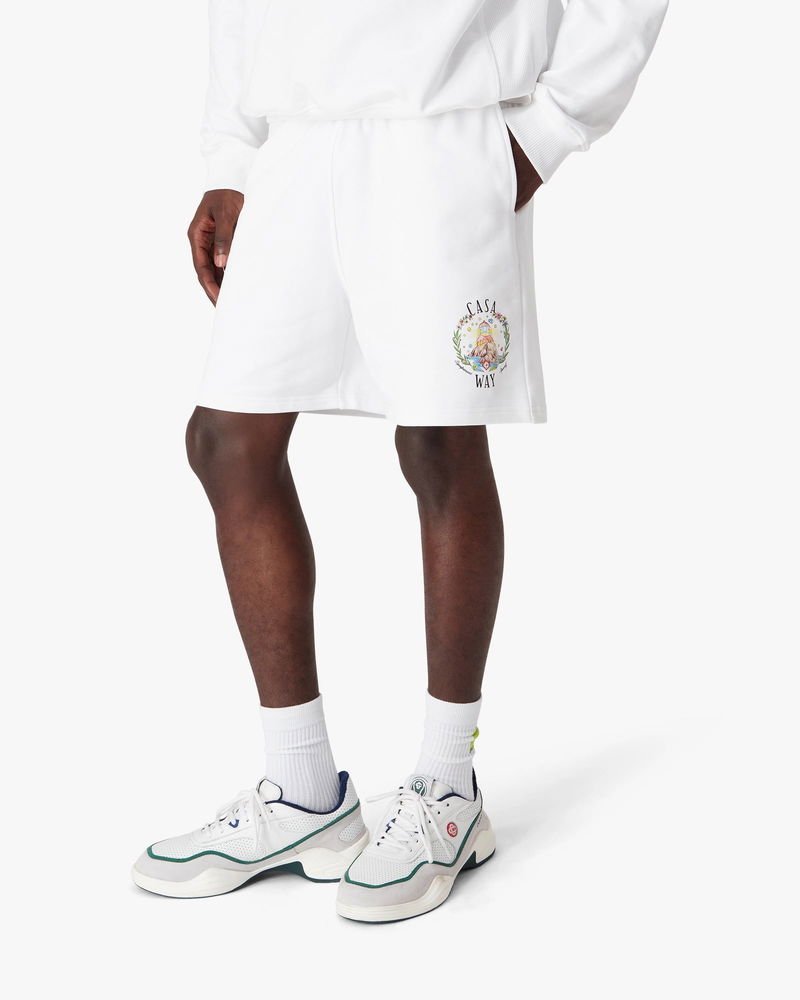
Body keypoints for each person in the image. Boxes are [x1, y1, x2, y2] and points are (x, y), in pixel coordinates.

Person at [131, 0, 668, 921]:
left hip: (442, 134)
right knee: (225, 440)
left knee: (437, 442)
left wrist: (549, 127)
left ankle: (447, 789)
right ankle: (304, 795)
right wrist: (231, 154)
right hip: (298, 139)